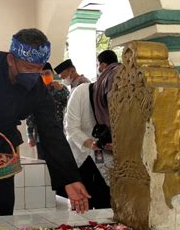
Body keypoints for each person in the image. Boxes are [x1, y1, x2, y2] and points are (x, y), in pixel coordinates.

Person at [0, 28, 90, 219]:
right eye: (27, 68)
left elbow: (52, 132)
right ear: (10, 60)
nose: (34, 74)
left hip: (3, 137)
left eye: (38, 68)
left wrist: (70, 178)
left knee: (2, 202)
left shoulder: (37, 89)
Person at [64, 81, 113, 209]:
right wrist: (92, 143)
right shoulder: (81, 92)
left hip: (107, 162)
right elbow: (71, 128)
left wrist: (115, 144)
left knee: (106, 204)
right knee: (82, 206)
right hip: (82, 158)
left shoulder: (120, 97)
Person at [26, 63, 69, 160]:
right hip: (40, 134)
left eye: (47, 73)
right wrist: (30, 135)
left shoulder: (60, 88)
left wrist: (61, 90)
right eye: (41, 74)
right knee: (43, 162)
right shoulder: (34, 91)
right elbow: (30, 115)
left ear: (52, 73)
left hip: (58, 132)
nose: (45, 76)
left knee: (59, 160)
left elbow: (68, 102)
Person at [94, 50, 122, 129]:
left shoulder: (110, 75)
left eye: (97, 65)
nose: (97, 68)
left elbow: (112, 101)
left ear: (103, 65)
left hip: (116, 124)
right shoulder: (124, 70)